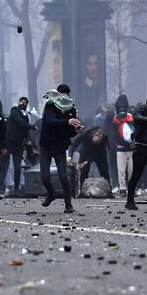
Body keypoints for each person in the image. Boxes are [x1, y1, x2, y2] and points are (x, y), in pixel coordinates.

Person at [39, 85, 84, 213]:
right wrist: (67, 122)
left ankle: (68, 204)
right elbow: (51, 121)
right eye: (63, 93)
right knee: (45, 177)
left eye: (67, 93)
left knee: (64, 176)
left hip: (59, 147)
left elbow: (69, 132)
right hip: (46, 146)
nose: (65, 95)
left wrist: (76, 131)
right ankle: (51, 194)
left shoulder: (71, 109)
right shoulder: (50, 105)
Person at [3, 97, 35, 196]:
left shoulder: (25, 116)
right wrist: (32, 126)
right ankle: (0, 186)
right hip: (9, 142)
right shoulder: (15, 112)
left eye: (25, 102)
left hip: (18, 144)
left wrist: (28, 139)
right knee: (4, 165)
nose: (23, 103)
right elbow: (21, 122)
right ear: (18, 103)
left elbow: (25, 129)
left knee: (18, 166)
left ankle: (16, 188)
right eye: (21, 101)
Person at [112, 95, 135, 195]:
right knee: (121, 171)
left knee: (131, 170)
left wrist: (133, 142)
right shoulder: (114, 120)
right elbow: (115, 136)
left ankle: (131, 188)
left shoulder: (131, 118)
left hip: (130, 148)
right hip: (121, 148)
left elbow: (135, 131)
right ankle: (122, 189)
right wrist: (128, 144)